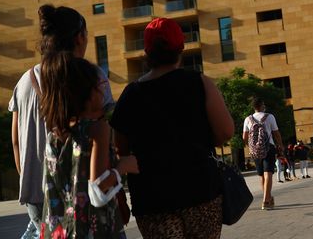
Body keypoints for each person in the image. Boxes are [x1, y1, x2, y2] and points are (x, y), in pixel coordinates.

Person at [110, 18, 234, 238]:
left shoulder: (131, 94)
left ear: (147, 51)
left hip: (153, 200)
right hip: (200, 191)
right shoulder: (200, 83)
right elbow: (225, 132)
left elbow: (120, 148)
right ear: (181, 47)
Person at [10, 5, 116, 239]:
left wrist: (28, 177)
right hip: (84, 188)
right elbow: (106, 130)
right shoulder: (92, 76)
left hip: (37, 189)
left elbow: (16, 140)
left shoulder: (24, 82)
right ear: (80, 37)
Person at [39, 53, 138, 238]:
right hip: (93, 231)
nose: (103, 91)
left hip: (57, 232)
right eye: (100, 85)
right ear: (89, 92)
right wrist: (124, 166)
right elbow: (98, 191)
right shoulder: (98, 129)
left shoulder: (54, 135)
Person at [243, 97, 284, 209]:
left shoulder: (248, 119)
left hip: (255, 150)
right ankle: (266, 200)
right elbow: (276, 133)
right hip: (268, 148)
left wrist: (251, 147)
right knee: (268, 173)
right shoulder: (269, 117)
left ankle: (268, 198)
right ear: (261, 105)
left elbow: (244, 137)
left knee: (261, 175)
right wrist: (280, 145)